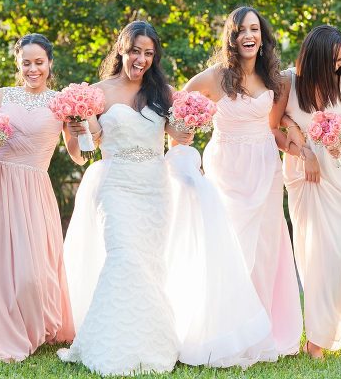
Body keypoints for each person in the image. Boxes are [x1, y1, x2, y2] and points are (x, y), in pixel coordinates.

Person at [59, 21, 279, 374]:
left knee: (150, 266)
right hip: (116, 184)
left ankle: (154, 342)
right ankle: (111, 344)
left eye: (148, 54)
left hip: (155, 188)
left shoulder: (163, 93)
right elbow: (81, 153)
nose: (141, 60)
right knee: (123, 257)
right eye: (135, 51)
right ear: (121, 50)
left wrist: (190, 123)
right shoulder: (97, 93)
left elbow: (180, 136)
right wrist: (75, 127)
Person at [184, 6, 303, 356]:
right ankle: (223, 330)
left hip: (265, 168)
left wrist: (296, 141)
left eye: (255, 29)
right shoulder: (214, 77)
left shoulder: (275, 81)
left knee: (265, 249)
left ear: (263, 37)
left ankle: (261, 328)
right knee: (230, 246)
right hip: (226, 169)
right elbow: (177, 109)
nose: (249, 35)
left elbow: (274, 128)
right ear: (232, 38)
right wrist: (181, 151)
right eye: (241, 30)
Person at [0, 34, 83, 361]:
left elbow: (78, 157)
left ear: (49, 63)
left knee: (31, 274)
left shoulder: (63, 102)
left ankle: (32, 327)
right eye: (26, 63)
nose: (33, 69)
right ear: (18, 64)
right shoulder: (1, 96)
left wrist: (78, 132)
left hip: (34, 190)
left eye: (39, 63)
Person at [271, 25, 341, 359]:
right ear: (313, 57)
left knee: (340, 254)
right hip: (306, 174)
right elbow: (271, 128)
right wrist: (303, 150)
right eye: (332, 61)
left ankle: (325, 330)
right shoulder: (288, 82)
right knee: (315, 255)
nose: (338, 67)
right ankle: (315, 339)